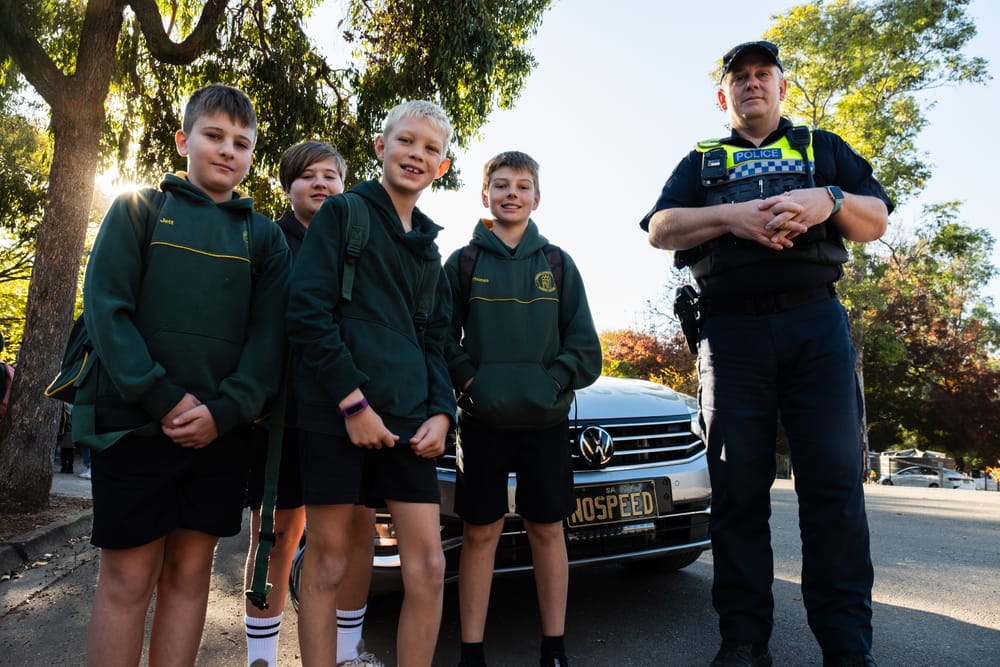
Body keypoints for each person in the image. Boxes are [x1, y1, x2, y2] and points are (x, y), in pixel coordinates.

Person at [641, 41, 891, 667]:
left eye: (763, 75)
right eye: (739, 78)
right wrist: (733, 217)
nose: (752, 85)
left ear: (782, 87)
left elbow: (877, 219)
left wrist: (827, 200)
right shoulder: (703, 161)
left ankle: (846, 647)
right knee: (738, 492)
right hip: (732, 338)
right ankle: (744, 640)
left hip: (816, 328)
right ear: (723, 97)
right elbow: (660, 229)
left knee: (834, 490)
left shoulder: (820, 148)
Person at [82, 84, 290, 666]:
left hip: (220, 436)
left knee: (190, 574)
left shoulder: (266, 238)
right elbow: (107, 309)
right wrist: (160, 397)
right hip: (134, 429)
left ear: (252, 156)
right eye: (214, 136)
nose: (228, 150)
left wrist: (226, 411)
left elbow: (268, 340)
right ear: (184, 140)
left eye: (242, 143)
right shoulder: (138, 209)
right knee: (128, 579)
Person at [286, 100, 455, 667]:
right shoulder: (344, 214)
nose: (416, 154)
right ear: (381, 147)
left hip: (410, 423)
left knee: (429, 568)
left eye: (430, 148)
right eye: (406, 141)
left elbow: (434, 339)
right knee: (329, 562)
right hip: (336, 415)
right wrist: (352, 402)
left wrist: (442, 412)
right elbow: (308, 312)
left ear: (442, 168)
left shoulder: (430, 250)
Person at [444, 151, 602, 667]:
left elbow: (583, 346)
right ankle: (472, 650)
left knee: (547, 528)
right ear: (484, 194)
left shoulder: (557, 263)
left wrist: (552, 381)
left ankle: (553, 648)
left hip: (546, 422)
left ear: (537, 197)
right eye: (501, 184)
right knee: (480, 531)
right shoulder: (463, 263)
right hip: (484, 422)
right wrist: (470, 380)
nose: (512, 193)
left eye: (523, 185)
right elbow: (440, 337)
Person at [243, 141, 383, 667]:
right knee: (276, 534)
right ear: (287, 186)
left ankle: (347, 653)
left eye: (331, 176)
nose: (321, 184)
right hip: (282, 420)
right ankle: (262, 657)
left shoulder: (359, 247)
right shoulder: (268, 242)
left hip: (349, 415)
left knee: (355, 533)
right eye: (308, 176)